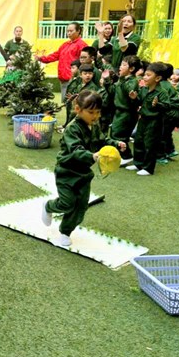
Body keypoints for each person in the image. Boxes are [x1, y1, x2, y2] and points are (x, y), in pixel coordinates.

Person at [42, 90, 126, 247]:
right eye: (91, 112)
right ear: (78, 109)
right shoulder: (72, 129)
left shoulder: (94, 126)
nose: (95, 116)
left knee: (81, 206)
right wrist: (92, 156)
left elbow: (103, 140)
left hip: (83, 174)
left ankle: (65, 232)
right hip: (66, 172)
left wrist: (115, 143)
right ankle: (48, 206)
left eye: (98, 112)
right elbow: (75, 150)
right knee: (67, 203)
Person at [126, 62, 169, 176]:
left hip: (154, 121)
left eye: (148, 75)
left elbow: (167, 106)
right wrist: (134, 98)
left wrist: (158, 104)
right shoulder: (144, 89)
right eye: (145, 74)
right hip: (143, 119)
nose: (144, 77)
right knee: (138, 141)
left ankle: (148, 168)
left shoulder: (162, 92)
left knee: (150, 144)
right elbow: (139, 101)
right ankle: (138, 163)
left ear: (158, 78)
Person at [38, 22, 87, 104]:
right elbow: (55, 55)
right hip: (63, 78)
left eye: (71, 31)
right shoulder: (65, 44)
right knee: (65, 103)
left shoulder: (82, 45)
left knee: (72, 103)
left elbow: (84, 61)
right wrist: (41, 58)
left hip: (73, 78)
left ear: (78, 31)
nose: (69, 33)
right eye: (68, 31)